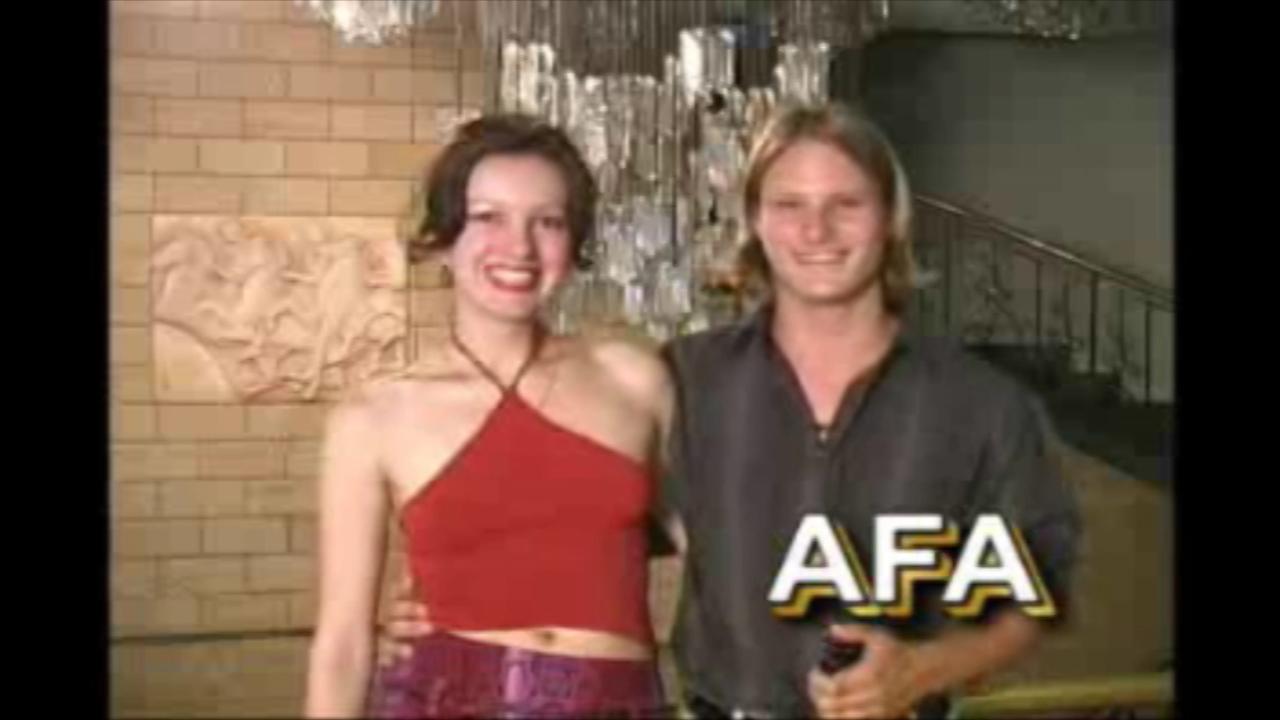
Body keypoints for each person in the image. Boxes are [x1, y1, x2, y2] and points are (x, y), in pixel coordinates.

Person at [378, 102, 1081, 719]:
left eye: (846, 203)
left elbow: (1035, 589)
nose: (816, 230)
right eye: (789, 205)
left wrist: (923, 670)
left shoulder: (981, 402)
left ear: (890, 219)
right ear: (755, 222)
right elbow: (573, 524)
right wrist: (442, 597)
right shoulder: (685, 379)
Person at [304, 113, 675, 718]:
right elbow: (342, 643)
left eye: (547, 222)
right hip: (442, 698)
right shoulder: (372, 416)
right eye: (487, 218)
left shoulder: (635, 378)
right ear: (444, 239)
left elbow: (724, 547)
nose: (519, 247)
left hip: (618, 703)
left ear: (573, 246)